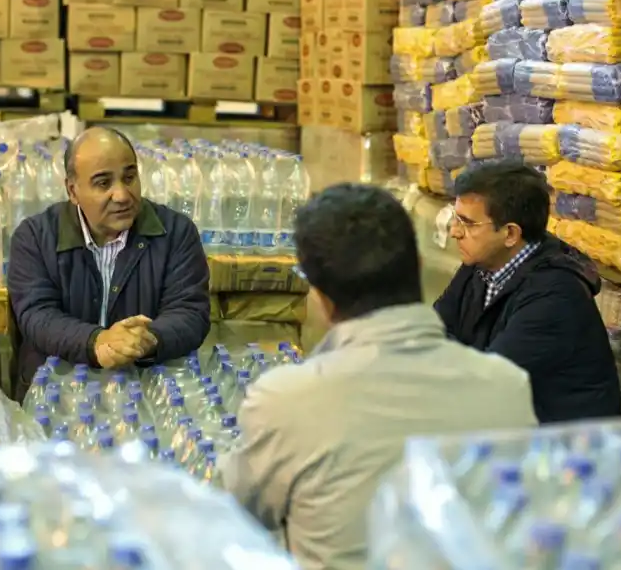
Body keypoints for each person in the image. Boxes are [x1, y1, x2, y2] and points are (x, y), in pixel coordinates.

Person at [219, 183, 537, 570]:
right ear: (418, 266)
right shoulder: (507, 386)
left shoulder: (284, 401)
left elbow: (237, 514)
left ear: (320, 297)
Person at [7, 127, 210, 401]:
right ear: (73, 191)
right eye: (103, 183)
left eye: (129, 177)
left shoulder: (175, 233)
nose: (123, 195)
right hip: (56, 398)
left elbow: (190, 312)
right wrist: (96, 342)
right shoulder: (35, 237)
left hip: (145, 397)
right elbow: (37, 315)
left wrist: (145, 340)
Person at [433, 162, 621, 423]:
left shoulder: (555, 295)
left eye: (467, 223)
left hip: (561, 447)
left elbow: (488, 380)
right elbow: (432, 330)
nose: (455, 232)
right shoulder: (479, 265)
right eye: (455, 218)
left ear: (510, 233)